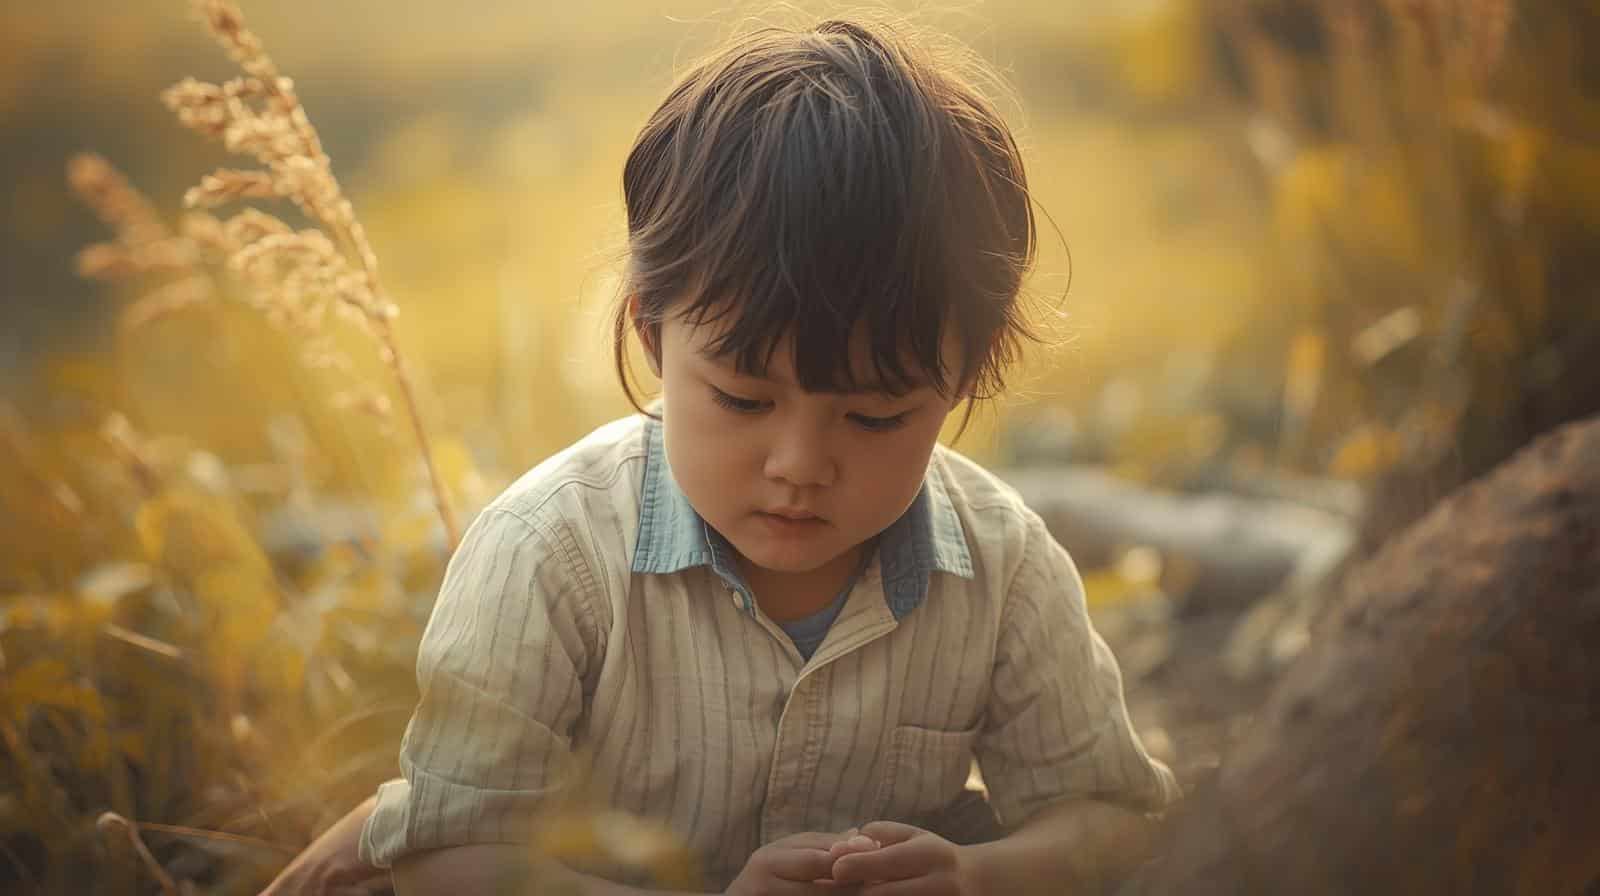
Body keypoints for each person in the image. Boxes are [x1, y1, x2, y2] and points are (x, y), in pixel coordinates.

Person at [261, 15, 1178, 896]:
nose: (799, 464)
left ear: (964, 379)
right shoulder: (551, 555)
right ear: (653, 334)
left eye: (877, 418)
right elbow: (446, 862)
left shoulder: (1003, 571)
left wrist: (982, 878)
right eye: (743, 399)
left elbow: (1111, 813)